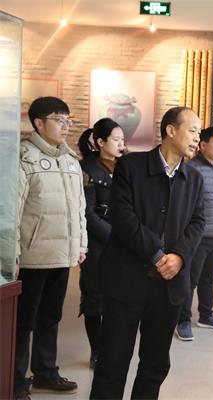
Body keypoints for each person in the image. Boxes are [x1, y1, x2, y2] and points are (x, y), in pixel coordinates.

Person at [90, 107, 205, 399]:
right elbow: (123, 216)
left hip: (168, 286)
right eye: (193, 130)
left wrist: (179, 257)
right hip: (126, 281)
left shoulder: (194, 178)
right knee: (112, 362)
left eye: (199, 133)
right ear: (171, 131)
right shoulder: (132, 166)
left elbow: (197, 222)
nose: (197, 138)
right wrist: (157, 254)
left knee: (155, 365)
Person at [14, 96, 87, 399]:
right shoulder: (24, 158)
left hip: (61, 256)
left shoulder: (70, 160)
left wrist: (80, 244)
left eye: (68, 120)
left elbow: (79, 209)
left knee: (51, 317)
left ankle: (45, 372)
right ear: (38, 123)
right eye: (59, 120)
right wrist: (11, 253)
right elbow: (13, 211)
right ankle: (15, 380)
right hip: (31, 257)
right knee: (23, 322)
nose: (66, 126)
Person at [76, 118, 125, 368]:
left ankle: (112, 349)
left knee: (119, 299)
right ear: (100, 142)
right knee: (94, 300)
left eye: (122, 139)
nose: (121, 144)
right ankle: (96, 351)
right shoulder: (87, 170)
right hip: (97, 245)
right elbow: (88, 214)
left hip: (123, 245)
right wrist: (116, 236)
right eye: (116, 139)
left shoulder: (125, 167)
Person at [175, 126, 213, 340]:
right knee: (190, 279)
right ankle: (183, 319)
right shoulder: (191, 169)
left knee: (209, 277)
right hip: (199, 236)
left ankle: (206, 315)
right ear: (203, 145)